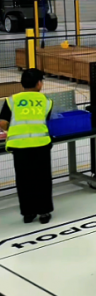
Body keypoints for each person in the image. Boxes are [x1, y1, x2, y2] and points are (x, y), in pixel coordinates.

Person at [0, 69, 54, 223]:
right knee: (42, 179)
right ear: (39, 84)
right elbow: (45, 120)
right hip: (40, 144)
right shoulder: (46, 101)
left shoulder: (12, 100)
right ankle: (44, 212)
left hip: (19, 146)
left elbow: (2, 123)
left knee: (24, 180)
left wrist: (14, 129)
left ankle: (28, 213)